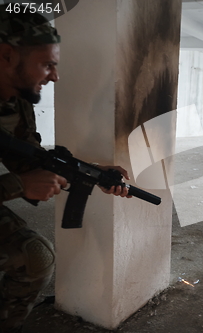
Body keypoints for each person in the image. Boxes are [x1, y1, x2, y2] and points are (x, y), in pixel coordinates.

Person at [0, 6, 131, 332]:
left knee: (35, 255)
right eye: (47, 65)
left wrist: (89, 172)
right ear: (6, 56)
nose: (55, 76)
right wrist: (18, 185)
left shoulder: (15, 102)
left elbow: (28, 158)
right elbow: (22, 175)